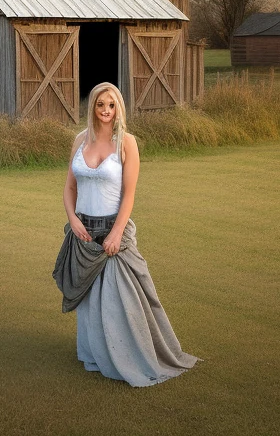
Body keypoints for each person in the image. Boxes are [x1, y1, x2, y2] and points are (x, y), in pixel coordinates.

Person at [52, 82, 198, 386]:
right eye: (100, 105)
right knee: (90, 299)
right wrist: (72, 219)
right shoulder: (80, 140)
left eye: (112, 105)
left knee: (123, 298)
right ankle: (95, 353)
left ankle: (132, 356)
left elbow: (129, 195)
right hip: (82, 231)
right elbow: (69, 187)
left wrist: (117, 233)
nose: (106, 111)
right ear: (92, 107)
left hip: (112, 230)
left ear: (119, 107)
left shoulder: (126, 143)